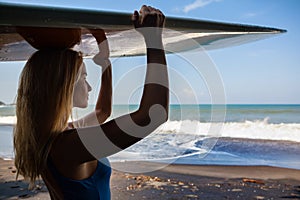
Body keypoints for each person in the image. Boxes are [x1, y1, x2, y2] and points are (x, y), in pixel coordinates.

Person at [13, 5, 168, 200]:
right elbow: (153, 115)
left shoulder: (52, 135)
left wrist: (105, 64)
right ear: (65, 87)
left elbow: (103, 111)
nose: (89, 87)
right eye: (83, 78)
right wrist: (153, 39)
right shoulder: (69, 146)